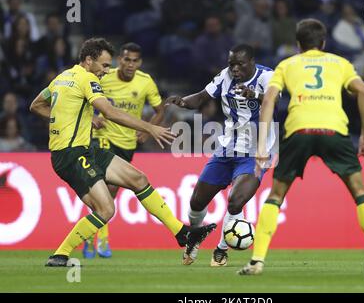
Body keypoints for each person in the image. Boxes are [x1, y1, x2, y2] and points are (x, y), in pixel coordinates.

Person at [29, 37, 216, 267]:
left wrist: (63, 119)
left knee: (138, 179)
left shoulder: (62, 78)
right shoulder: (88, 79)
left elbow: (36, 105)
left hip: (86, 149)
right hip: (71, 154)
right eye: (104, 65)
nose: (107, 71)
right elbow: (110, 112)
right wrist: (149, 127)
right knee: (106, 210)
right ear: (89, 60)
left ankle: (183, 234)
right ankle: (60, 254)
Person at [238, 19, 364, 275]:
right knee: (359, 191)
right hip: (333, 130)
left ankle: (257, 261)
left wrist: (261, 144)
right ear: (323, 43)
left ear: (299, 45)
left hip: (299, 130)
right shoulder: (340, 63)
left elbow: (269, 98)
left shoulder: (287, 64)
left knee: (276, 195)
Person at [166, 44, 276, 267]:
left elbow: (274, 98)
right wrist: (184, 102)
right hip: (226, 149)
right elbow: (201, 97)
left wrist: (255, 94)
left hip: (255, 152)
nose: (234, 69)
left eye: (240, 64)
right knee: (197, 202)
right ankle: (194, 238)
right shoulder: (225, 77)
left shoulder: (267, 76)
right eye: (231, 64)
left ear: (252, 62)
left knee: (235, 202)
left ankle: (222, 249)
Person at [81, 42, 165, 259]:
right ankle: (103, 241)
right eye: (126, 59)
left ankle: (91, 236)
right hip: (103, 138)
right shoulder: (104, 76)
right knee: (104, 187)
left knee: (112, 192)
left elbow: (159, 109)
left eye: (135, 60)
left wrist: (146, 132)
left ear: (140, 62)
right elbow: (82, 99)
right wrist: (92, 118)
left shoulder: (146, 82)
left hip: (127, 143)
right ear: (120, 59)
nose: (130, 64)